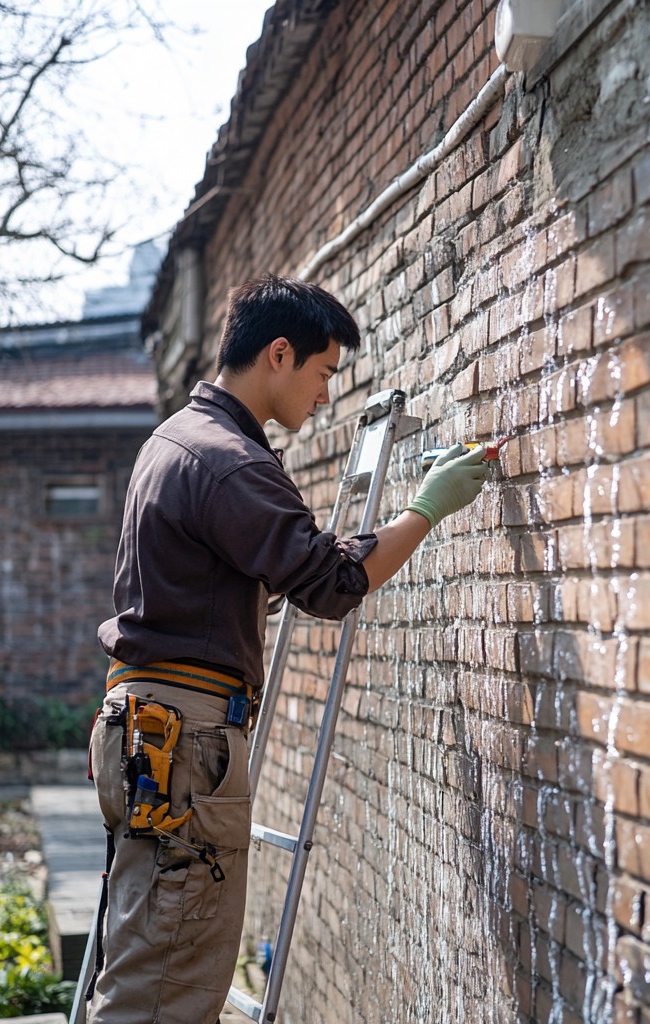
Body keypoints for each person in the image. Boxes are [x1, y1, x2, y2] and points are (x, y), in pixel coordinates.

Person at [86, 275, 489, 1024]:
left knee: (147, 962)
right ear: (280, 354)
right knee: (168, 990)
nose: (327, 395)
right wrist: (427, 507)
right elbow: (334, 583)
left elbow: (218, 583)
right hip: (183, 742)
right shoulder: (230, 461)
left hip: (146, 729)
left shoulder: (172, 441)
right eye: (325, 371)